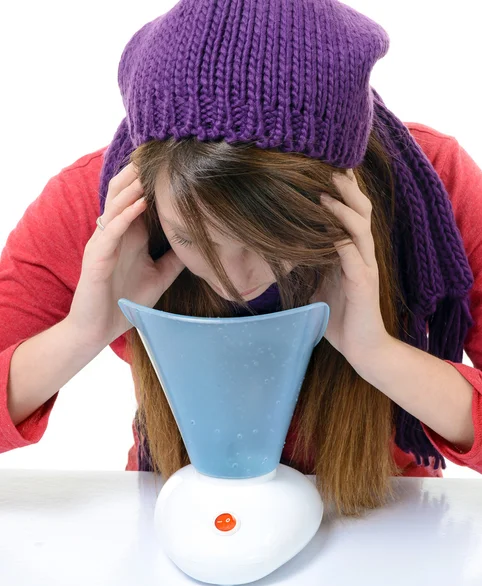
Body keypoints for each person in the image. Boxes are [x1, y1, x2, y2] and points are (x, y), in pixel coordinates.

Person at [1, 0, 482, 516]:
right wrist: (82, 333)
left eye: (269, 240)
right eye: (188, 237)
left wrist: (378, 353)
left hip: (388, 517)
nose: (235, 279)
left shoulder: (427, 188)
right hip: (180, 513)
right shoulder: (102, 211)